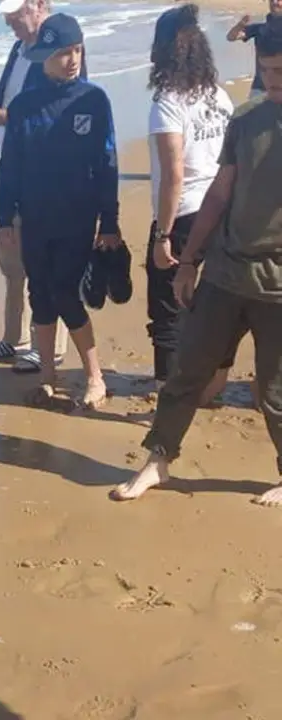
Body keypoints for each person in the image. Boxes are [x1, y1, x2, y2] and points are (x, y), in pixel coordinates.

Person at [110, 25, 282, 505]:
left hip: (276, 287)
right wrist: (188, 261)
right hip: (225, 273)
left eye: (280, 72)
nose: (272, 81)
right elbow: (219, 193)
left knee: (274, 390)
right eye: (266, 71)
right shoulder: (246, 118)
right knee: (187, 369)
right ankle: (157, 461)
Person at [0, 13, 119, 409]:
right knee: (41, 296)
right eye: (64, 53)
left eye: (78, 50)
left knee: (66, 293)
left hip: (78, 217)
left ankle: (95, 378)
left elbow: (108, 163)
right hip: (34, 217)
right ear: (44, 56)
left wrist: (110, 221)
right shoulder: (24, 106)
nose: (73, 60)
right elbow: (10, 163)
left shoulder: (93, 100)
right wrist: (4, 215)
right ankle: (47, 378)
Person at [0, 0, 77, 376]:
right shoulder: (20, 48)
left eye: (15, 14)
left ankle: (49, 349)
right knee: (12, 259)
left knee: (45, 263)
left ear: (39, 4)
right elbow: (14, 100)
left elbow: (47, 113)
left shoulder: (61, 47)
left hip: (46, 172)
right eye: (7, 17)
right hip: (16, 166)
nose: (10, 21)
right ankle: (15, 337)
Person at [145, 4, 241, 405]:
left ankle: (169, 388)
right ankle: (209, 384)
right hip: (223, 209)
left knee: (168, 306)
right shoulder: (219, 96)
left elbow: (174, 176)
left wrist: (162, 235)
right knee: (216, 303)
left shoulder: (168, 101)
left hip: (184, 214)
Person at [226, 0, 282, 101]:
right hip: (259, 88)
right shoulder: (259, 29)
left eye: (278, 0)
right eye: (271, 0)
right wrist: (240, 25)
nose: (274, 2)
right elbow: (231, 37)